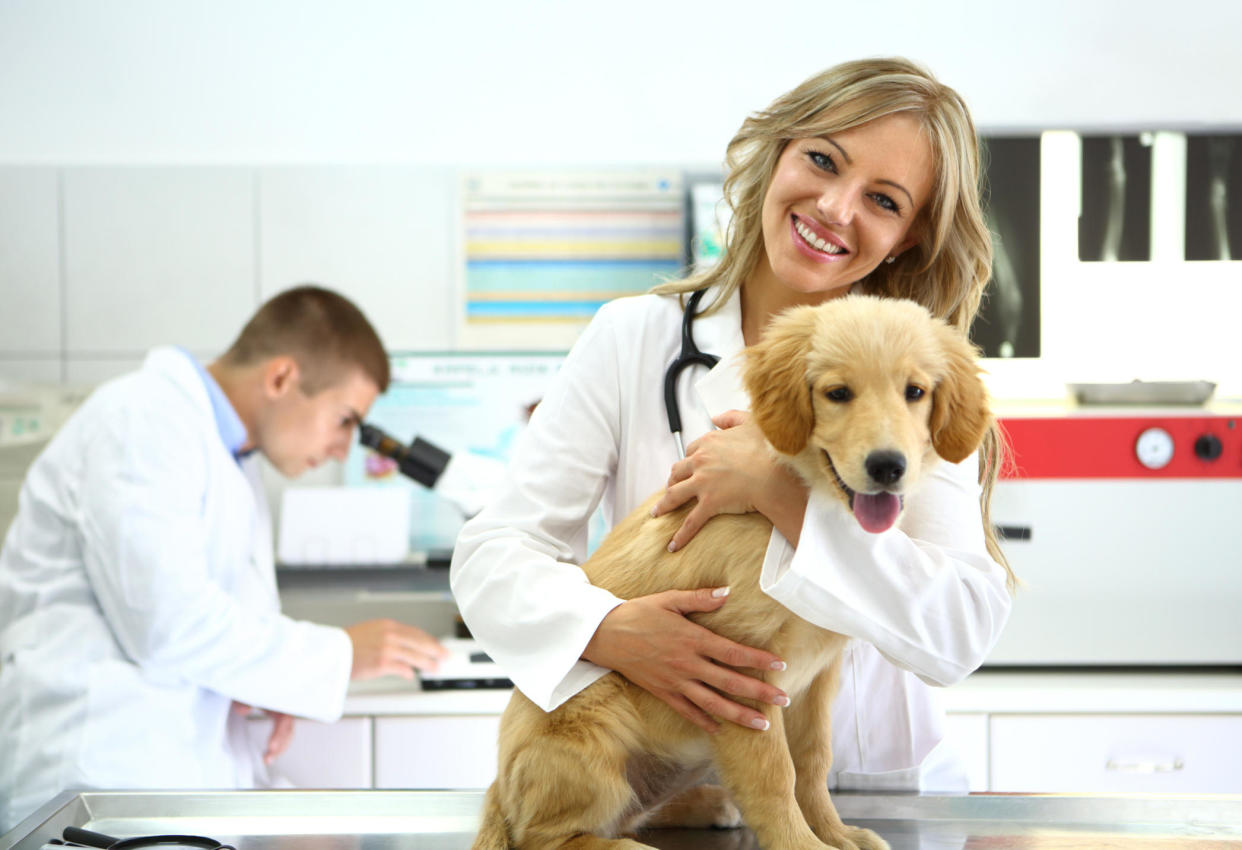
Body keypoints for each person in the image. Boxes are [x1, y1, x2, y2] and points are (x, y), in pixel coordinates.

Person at [450, 57, 1017, 793]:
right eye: (822, 160)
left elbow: (959, 633)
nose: (836, 208)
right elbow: (497, 553)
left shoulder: (918, 378)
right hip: (687, 795)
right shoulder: (633, 339)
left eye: (883, 200)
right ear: (776, 153)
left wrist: (776, 492)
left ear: (909, 236)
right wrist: (606, 630)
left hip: (876, 788)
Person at [0, 285, 448, 831]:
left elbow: (221, 622)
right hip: (96, 782)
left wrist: (271, 682)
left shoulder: (229, 453)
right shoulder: (141, 418)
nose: (343, 449)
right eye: (345, 420)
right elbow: (168, 625)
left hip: (162, 789)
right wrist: (341, 653)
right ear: (281, 378)